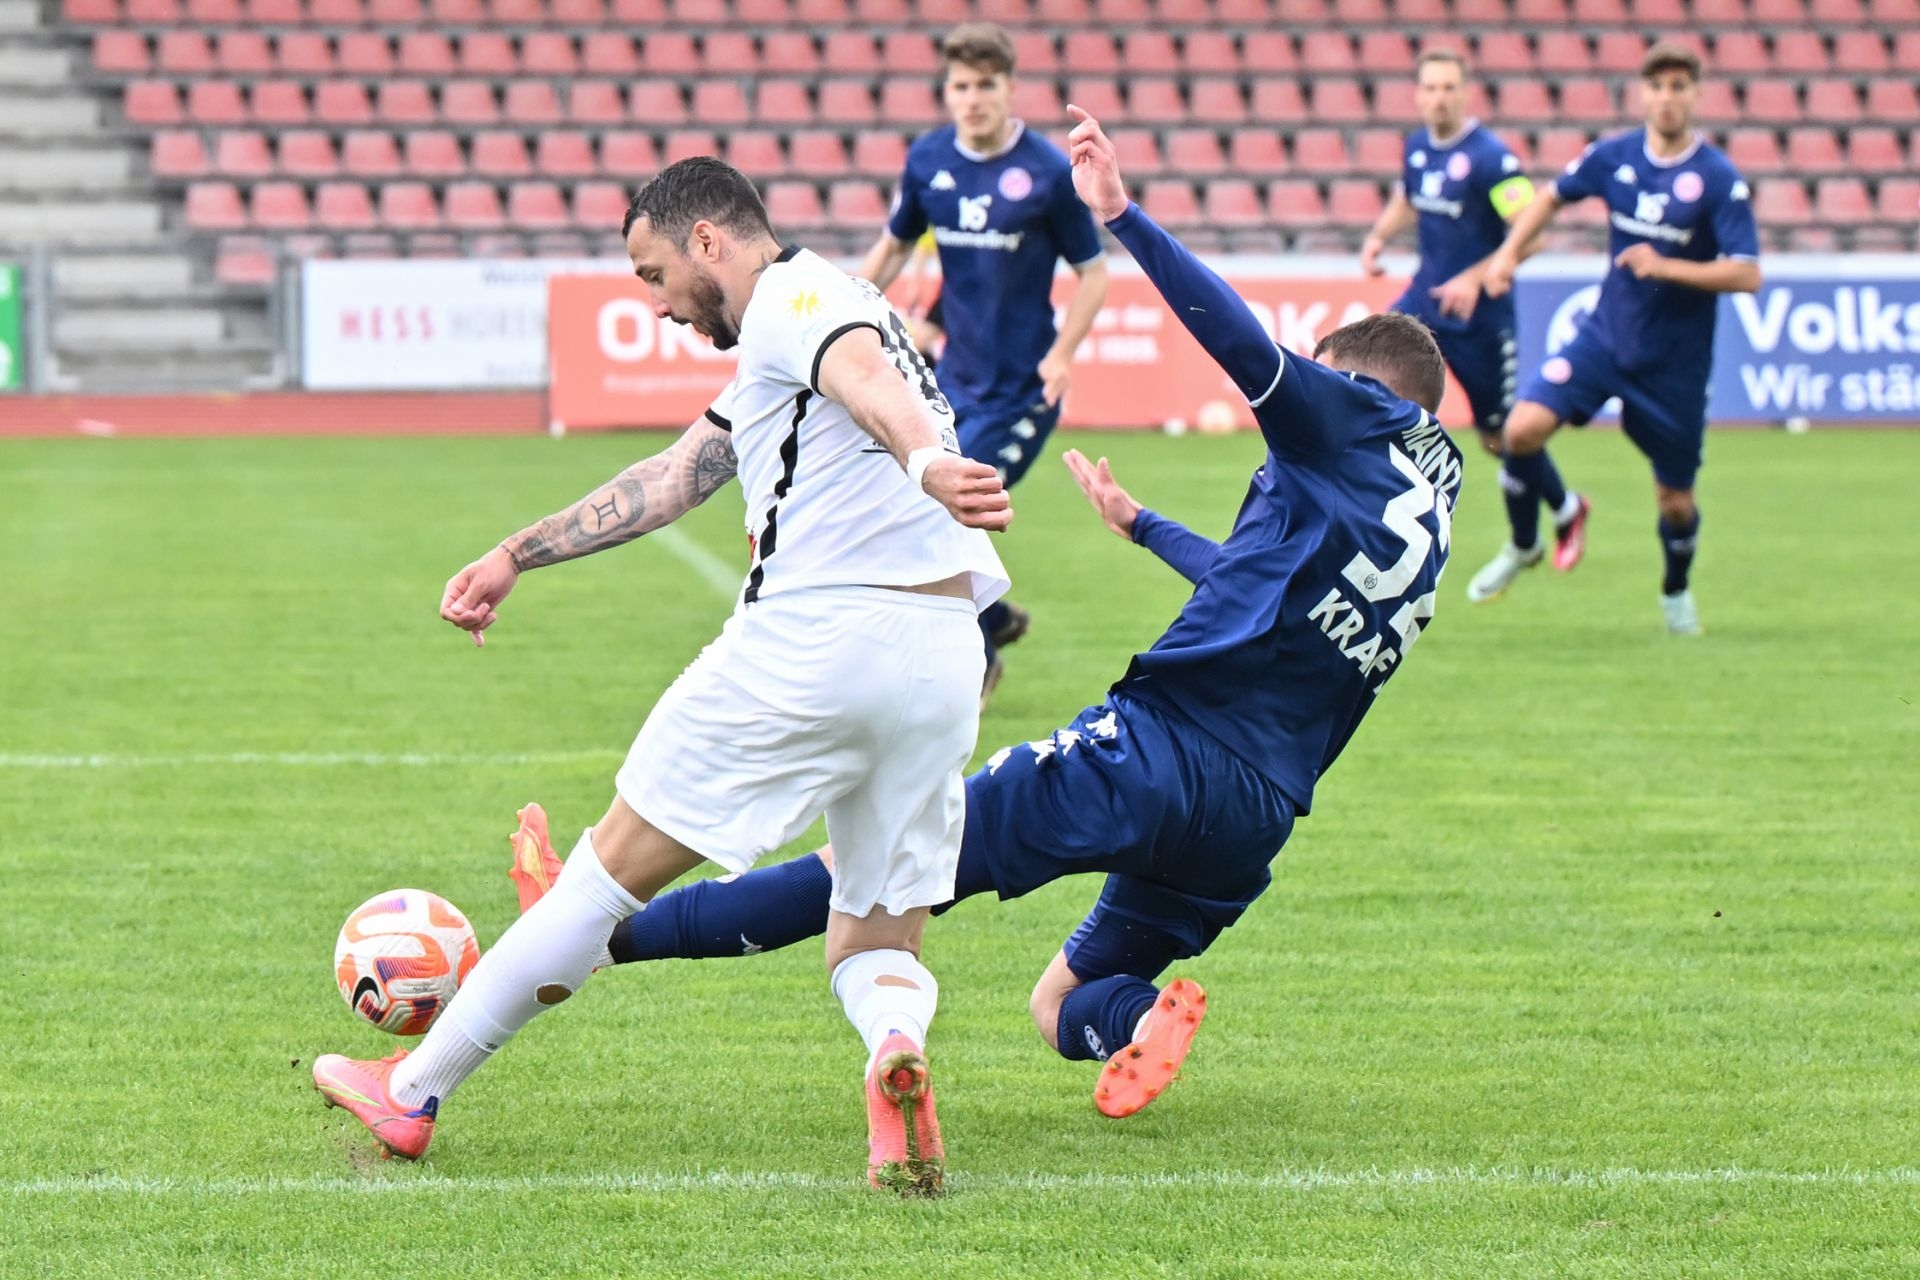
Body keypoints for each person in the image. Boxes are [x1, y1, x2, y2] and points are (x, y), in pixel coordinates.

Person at [512, 107, 1465, 1121]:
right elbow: (1254, 583)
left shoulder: (1346, 414)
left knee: (873, 876)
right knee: (1062, 1004)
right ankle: (1140, 1019)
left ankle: (593, 931)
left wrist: (1125, 218)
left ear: (1356, 385)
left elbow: (1237, 339)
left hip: (1157, 752)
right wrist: (1145, 526)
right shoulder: (1426, 512)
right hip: (1256, 815)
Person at [312, 157, 1012, 1198]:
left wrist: (926, 464)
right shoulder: (801, 330)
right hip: (946, 653)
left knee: (599, 879)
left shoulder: (797, 298)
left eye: (655, 273)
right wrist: (517, 553)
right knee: (873, 933)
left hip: (820, 639)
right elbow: (675, 476)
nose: (658, 303)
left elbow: (863, 381)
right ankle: (895, 1050)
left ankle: (411, 1088)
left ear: (709, 241)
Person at [859, 21, 1112, 701]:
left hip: (1024, 388)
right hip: (950, 385)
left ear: (1010, 89)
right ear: (947, 91)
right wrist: (842, 312)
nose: (972, 99)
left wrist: (1061, 356)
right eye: (961, 86)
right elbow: (893, 247)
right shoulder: (928, 161)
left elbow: (1094, 274)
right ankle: (993, 620)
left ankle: (982, 651)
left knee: (949, 508)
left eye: (985, 86)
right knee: (923, 504)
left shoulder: (1048, 172)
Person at [1472, 42, 1761, 633]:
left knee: (1675, 502)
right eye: (1657, 86)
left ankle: (1675, 591)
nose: (1667, 98)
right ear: (1643, 94)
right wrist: (1506, 255)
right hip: (1605, 339)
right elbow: (1550, 196)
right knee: (1519, 430)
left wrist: (1666, 266)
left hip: (1673, 364)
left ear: (1696, 95)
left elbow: (1747, 273)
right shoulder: (1614, 157)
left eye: (1678, 86)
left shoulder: (1717, 178)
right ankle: (1526, 542)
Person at [1360, 48, 1589, 564]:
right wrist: (1378, 237)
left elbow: (1531, 234)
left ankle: (1565, 508)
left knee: (1499, 438)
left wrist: (1474, 278)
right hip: (1423, 303)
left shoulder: (1491, 159)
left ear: (1465, 94)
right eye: (1430, 88)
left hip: (1480, 320)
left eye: (1448, 88)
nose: (1439, 98)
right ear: (1418, 95)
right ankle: (1369, 513)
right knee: (1370, 377)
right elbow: (1409, 198)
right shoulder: (1418, 147)